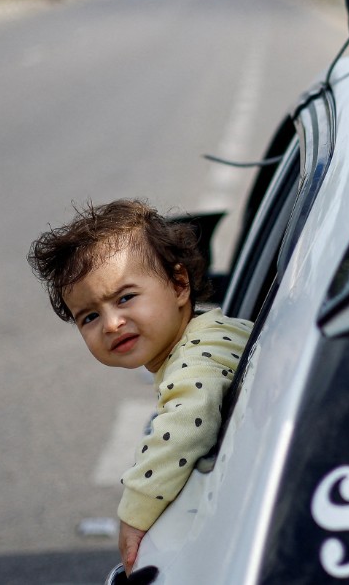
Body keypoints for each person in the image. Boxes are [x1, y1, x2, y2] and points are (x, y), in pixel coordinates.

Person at [27, 199, 252, 573]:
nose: (111, 324)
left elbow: (188, 420)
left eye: (125, 298)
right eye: (90, 316)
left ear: (179, 285)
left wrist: (136, 511)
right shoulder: (205, 336)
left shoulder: (201, 355)